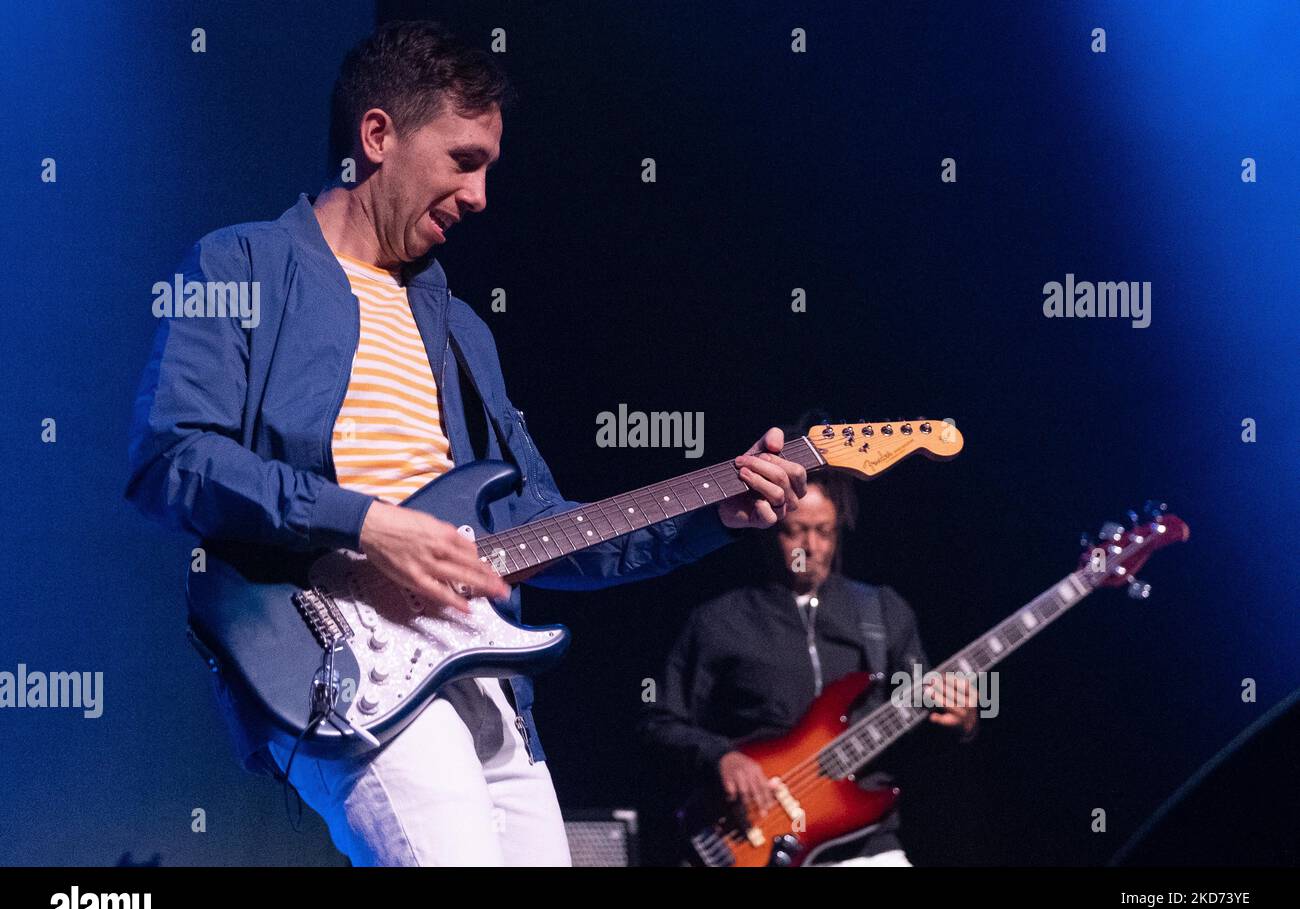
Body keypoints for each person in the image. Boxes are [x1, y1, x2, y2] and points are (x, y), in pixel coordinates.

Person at [124, 20, 806, 866]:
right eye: (463, 160)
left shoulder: (460, 332)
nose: (481, 195)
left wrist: (713, 511)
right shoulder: (239, 267)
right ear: (378, 136)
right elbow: (172, 459)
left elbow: (551, 530)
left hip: (484, 680)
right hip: (339, 660)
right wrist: (371, 524)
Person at [639, 464, 977, 865]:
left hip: (866, 844)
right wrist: (720, 756)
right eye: (795, 531)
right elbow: (658, 720)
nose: (811, 547)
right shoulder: (717, 621)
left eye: (824, 531)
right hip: (752, 839)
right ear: (768, 532)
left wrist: (962, 722)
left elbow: (917, 738)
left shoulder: (884, 611)